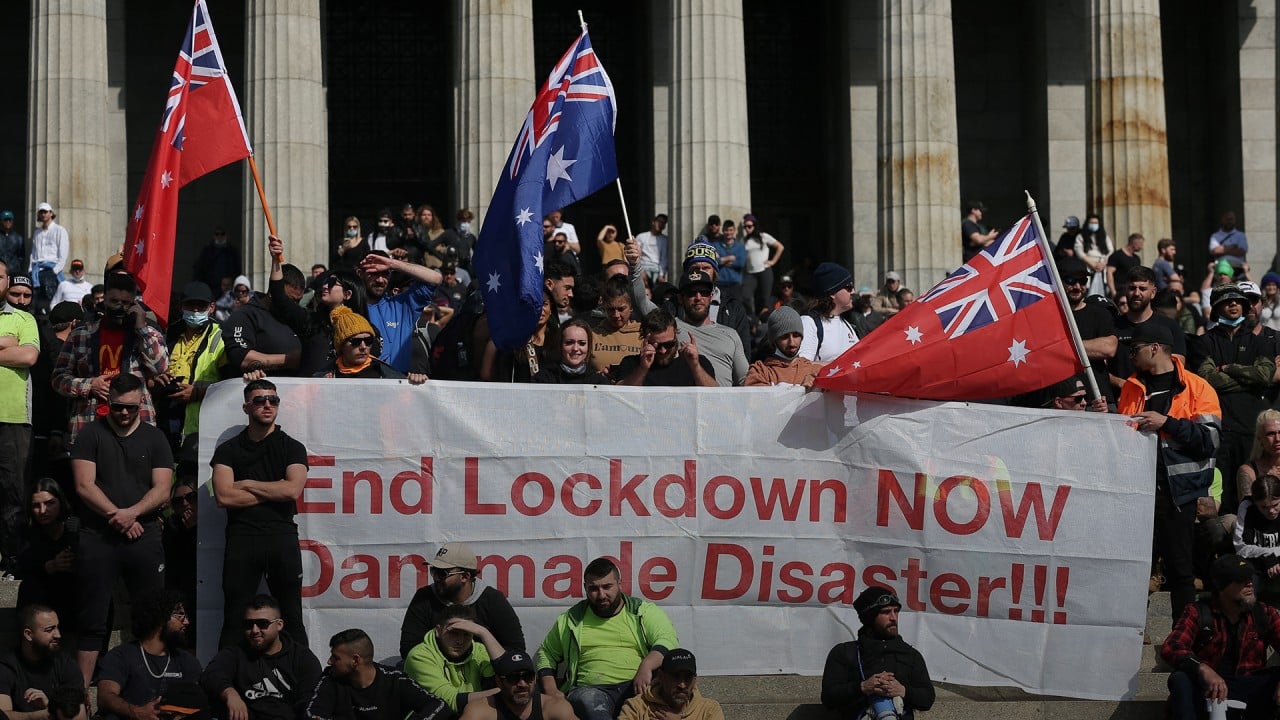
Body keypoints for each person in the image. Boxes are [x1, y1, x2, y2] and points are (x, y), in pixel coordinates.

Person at [69, 373, 173, 685]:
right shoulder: (90, 434)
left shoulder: (155, 438)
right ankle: (82, 692)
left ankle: (153, 684)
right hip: (99, 534)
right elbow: (83, 486)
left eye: (130, 407)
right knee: (92, 617)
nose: (124, 413)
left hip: (145, 532)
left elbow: (164, 489)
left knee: (152, 614)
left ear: (141, 403)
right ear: (107, 402)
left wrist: (134, 514)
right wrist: (119, 516)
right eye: (117, 407)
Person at [1118, 323, 1223, 621]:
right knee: (1136, 568)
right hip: (1138, 492)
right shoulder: (1131, 387)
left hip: (1179, 494)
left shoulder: (1198, 387)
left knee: (1180, 569)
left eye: (1134, 349)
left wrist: (1167, 423)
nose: (1130, 355)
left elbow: (1210, 440)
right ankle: (1133, 633)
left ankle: (1184, 635)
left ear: (1155, 348)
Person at [210, 379, 309, 650]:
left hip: (281, 536)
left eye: (273, 400)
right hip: (243, 538)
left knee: (291, 617)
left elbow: (292, 490)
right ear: (246, 407)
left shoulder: (293, 447)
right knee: (234, 617)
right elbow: (224, 496)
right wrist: (273, 488)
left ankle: (304, 682)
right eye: (259, 400)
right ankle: (225, 682)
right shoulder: (228, 450)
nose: (267, 405)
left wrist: (248, 483)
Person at [535, 557, 679, 720]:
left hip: (638, 686)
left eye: (607, 586)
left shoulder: (642, 611)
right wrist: (552, 691)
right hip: (590, 690)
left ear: (620, 584)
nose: (601, 594)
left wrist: (647, 664)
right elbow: (546, 654)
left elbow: (668, 639)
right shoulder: (571, 620)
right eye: (594, 588)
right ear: (585, 589)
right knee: (591, 704)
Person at [51, 271, 168, 445]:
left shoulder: (146, 334)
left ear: (134, 304)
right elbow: (58, 379)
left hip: (135, 427)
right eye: (114, 301)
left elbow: (161, 367)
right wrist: (89, 385)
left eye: (126, 303)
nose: (119, 307)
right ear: (104, 300)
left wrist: (141, 329)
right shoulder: (81, 334)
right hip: (90, 422)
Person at [1161, 554, 1280, 720]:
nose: (1250, 583)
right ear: (1222, 586)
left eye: (1250, 577)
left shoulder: (1264, 613)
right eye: (1241, 579)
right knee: (1180, 679)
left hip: (1248, 687)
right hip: (1209, 691)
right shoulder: (1198, 611)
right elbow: (1172, 647)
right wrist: (1202, 668)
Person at [1192, 284, 1276, 513]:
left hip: (1251, 430)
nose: (1233, 304)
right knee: (1224, 492)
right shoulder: (1203, 342)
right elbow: (1208, 379)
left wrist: (1228, 368)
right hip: (1220, 429)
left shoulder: (1261, 342)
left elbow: (1265, 375)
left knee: (1256, 490)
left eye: (1238, 301)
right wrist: (1248, 377)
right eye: (1227, 301)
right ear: (1216, 308)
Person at [200, 594, 322, 720]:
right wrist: (230, 694)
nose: (254, 630)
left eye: (262, 623)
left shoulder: (302, 657)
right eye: (248, 624)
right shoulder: (235, 653)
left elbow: (310, 700)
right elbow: (211, 674)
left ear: (279, 625)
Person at [821, 587, 934, 720]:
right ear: (869, 618)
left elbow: (927, 699)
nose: (893, 618)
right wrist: (863, 687)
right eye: (886, 612)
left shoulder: (910, 655)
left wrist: (903, 691)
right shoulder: (845, 653)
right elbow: (828, 698)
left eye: (896, 611)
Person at [399, 542, 525, 661]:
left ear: (465, 576)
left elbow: (516, 650)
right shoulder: (424, 596)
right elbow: (409, 649)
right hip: (436, 669)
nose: (436, 578)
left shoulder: (492, 599)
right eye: (434, 571)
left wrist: (473, 663)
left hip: (482, 672)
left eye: (442, 573)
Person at [96, 588, 204, 720]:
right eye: (180, 615)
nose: (186, 622)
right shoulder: (121, 656)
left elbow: (196, 703)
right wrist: (137, 712)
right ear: (160, 616)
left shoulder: (186, 660)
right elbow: (105, 697)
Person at [306, 629, 447, 720]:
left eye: (336, 658)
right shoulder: (330, 679)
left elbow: (439, 705)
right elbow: (311, 713)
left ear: (356, 660)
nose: (329, 661)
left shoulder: (395, 680)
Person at [0, 259, 39, 576]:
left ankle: (13, 558)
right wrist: (4, 345)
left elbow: (28, 355)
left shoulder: (24, 318)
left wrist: (15, 347)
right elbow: (15, 352)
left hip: (13, 417)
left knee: (14, 491)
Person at [165, 281, 226, 473]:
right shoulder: (169, 335)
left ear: (212, 308)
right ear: (181, 307)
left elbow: (230, 385)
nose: (196, 310)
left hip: (204, 425)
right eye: (191, 305)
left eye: (201, 306)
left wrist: (198, 392)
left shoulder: (223, 336)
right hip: (168, 421)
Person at [403, 606, 503, 715]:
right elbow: (449, 701)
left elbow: (509, 673)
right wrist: (504, 693)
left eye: (467, 634)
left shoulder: (479, 650)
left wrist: (484, 633)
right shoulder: (419, 656)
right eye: (454, 633)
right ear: (438, 631)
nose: (460, 641)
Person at [360, 252, 442, 373]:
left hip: (398, 385)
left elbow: (436, 278)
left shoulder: (403, 305)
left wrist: (392, 264)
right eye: (374, 274)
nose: (380, 280)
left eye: (385, 273)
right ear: (360, 274)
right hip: (363, 383)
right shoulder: (351, 307)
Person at [0, 604, 83, 720]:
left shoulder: (65, 664)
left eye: (57, 627)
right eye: (49, 630)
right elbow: (3, 715)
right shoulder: (7, 668)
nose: (58, 635)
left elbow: (80, 716)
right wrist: (36, 716)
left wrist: (50, 708)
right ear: (28, 634)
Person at [15, 480, 78, 627]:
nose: (43, 511)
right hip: (41, 595)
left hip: (72, 593)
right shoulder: (27, 531)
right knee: (31, 587)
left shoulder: (74, 527)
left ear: (60, 502)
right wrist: (50, 566)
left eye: (50, 503)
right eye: (36, 506)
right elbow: (22, 565)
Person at [1057, 257, 1118, 405]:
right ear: (1059, 281)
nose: (1078, 286)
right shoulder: (1051, 315)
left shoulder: (1100, 314)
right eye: (1070, 281)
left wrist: (1059, 348)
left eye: (1083, 281)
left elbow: (1108, 348)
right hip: (1064, 403)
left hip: (1098, 401)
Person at [316, 307, 426, 383]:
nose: (363, 346)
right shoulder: (323, 377)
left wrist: (416, 383)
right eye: (356, 342)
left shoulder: (389, 376)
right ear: (341, 346)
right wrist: (321, 390)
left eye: (368, 340)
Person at [614, 308, 717, 388]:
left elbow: (716, 396)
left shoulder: (699, 362)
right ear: (645, 338)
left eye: (668, 344)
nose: (663, 351)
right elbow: (621, 395)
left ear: (676, 334)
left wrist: (695, 366)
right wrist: (643, 368)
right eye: (656, 345)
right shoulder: (632, 363)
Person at [458, 651, 577, 720]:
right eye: (513, 678)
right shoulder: (481, 710)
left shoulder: (555, 707)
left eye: (528, 677)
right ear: (499, 681)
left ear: (535, 679)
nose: (522, 684)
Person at [617, 649, 723, 720]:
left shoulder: (709, 709)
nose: (682, 685)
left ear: (695, 680)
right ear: (661, 677)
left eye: (688, 678)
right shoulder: (637, 706)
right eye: (675, 677)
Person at [745, 307, 822, 388]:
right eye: (784, 337)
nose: (791, 343)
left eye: (796, 335)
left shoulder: (815, 371)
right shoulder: (760, 373)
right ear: (774, 340)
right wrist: (800, 389)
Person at [800, 263, 859, 364]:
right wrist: (839, 367)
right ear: (832, 293)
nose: (853, 291)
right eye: (849, 287)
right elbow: (801, 366)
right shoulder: (809, 323)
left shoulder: (848, 325)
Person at [1234, 475, 1280, 604]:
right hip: (1255, 564)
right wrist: (1266, 555)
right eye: (1263, 507)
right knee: (1245, 599)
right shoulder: (1247, 507)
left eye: (1275, 505)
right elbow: (1241, 546)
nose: (1271, 511)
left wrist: (1273, 555)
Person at [589, 277, 643, 373]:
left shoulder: (642, 335)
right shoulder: (593, 335)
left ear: (631, 307)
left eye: (621, 309)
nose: (616, 315)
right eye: (610, 309)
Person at [533, 318, 609, 384]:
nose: (575, 348)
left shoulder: (598, 381)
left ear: (588, 347)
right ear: (560, 344)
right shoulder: (543, 379)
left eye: (582, 343)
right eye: (569, 342)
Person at [740, 214, 784, 314]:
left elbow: (780, 247)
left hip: (764, 270)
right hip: (750, 273)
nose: (747, 229)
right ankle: (753, 320)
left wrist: (773, 261)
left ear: (754, 226)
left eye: (749, 226)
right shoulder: (744, 240)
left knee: (765, 299)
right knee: (745, 296)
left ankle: (764, 322)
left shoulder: (763, 236)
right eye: (745, 226)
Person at [28, 203, 68, 302]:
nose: (43, 214)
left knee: (51, 298)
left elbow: (63, 254)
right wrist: (30, 269)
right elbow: (33, 252)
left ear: (51, 213)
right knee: (36, 299)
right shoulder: (37, 232)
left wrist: (55, 271)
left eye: (45, 212)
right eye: (41, 212)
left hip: (51, 269)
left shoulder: (59, 230)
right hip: (37, 270)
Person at [192, 227, 242, 297]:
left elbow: (237, 268)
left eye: (222, 234)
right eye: (217, 234)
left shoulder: (232, 251)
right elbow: (200, 268)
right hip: (211, 286)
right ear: (214, 236)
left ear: (226, 235)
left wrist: (232, 279)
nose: (220, 236)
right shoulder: (207, 251)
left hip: (228, 287)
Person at [1076, 212, 1112, 296]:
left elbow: (1110, 250)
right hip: (1088, 266)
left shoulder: (1104, 236)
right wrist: (1093, 264)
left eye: (1096, 223)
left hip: (1102, 266)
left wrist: (1102, 264)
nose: (1094, 225)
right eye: (1091, 223)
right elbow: (1079, 251)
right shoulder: (1081, 236)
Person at [1210, 211, 1249, 277]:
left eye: (1231, 219)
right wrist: (1233, 246)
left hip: (1237, 271)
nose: (1229, 222)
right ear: (1222, 220)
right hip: (1220, 271)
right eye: (1227, 219)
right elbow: (1215, 251)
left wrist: (1223, 249)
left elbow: (1241, 251)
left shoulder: (1240, 235)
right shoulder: (1215, 236)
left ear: (1234, 221)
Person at [1107, 232, 1145, 300]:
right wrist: (1113, 291)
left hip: (1131, 291)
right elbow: (1109, 273)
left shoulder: (1136, 258)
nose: (1142, 247)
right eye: (1141, 244)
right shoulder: (1117, 255)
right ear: (1134, 243)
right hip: (1119, 291)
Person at [635, 215, 668, 285]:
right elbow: (637, 254)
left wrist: (661, 275)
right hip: (643, 269)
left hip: (657, 271)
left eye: (663, 223)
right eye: (659, 221)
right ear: (653, 222)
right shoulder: (641, 236)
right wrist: (640, 270)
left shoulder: (665, 240)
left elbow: (664, 258)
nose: (661, 224)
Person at [0, 211, 24, 281]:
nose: (8, 222)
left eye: (9, 220)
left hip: (14, 272)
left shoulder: (18, 238)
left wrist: (16, 267)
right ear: (1, 221)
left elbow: (21, 256)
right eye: (5, 220)